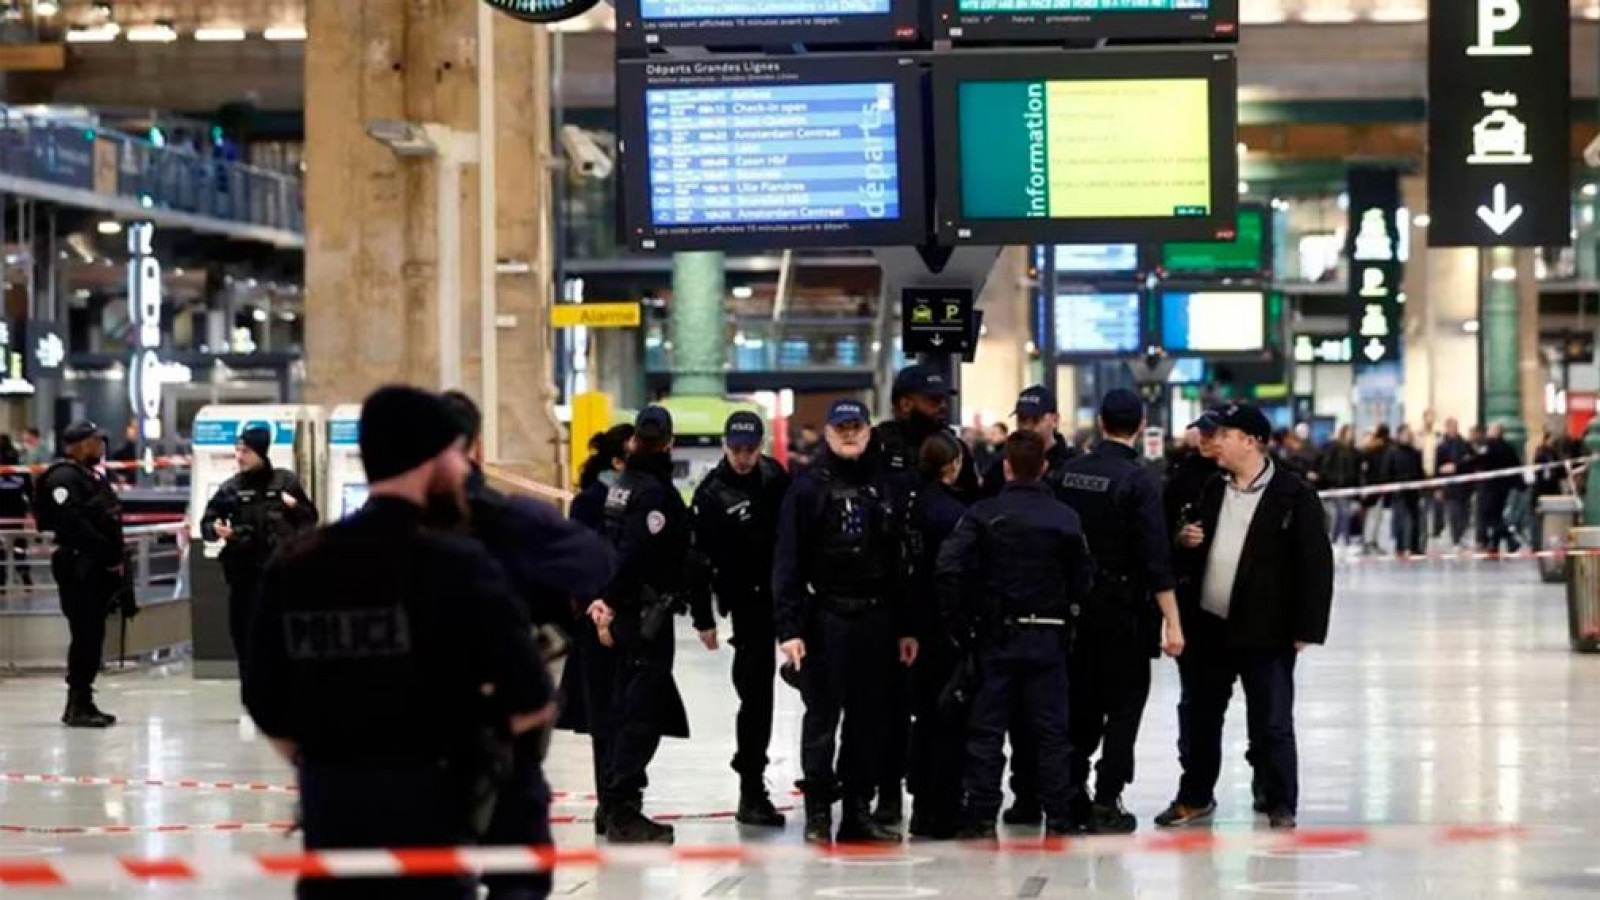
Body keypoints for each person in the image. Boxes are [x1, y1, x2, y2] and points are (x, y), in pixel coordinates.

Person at [244, 386, 555, 900]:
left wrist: (331, 765)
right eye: (455, 455)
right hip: (431, 829)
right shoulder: (458, 565)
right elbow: (532, 698)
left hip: (331, 824)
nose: (462, 469)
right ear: (430, 462)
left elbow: (265, 703)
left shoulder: (298, 565)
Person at [440, 391, 616, 900]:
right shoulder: (506, 522)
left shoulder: (373, 535)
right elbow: (593, 563)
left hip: (425, 751)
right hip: (499, 740)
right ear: (476, 444)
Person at [1158, 403, 1333, 832]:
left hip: (1266, 629)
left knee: (1271, 720)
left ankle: (1279, 800)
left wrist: (1306, 629)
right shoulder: (1214, 489)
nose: (1216, 442)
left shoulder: (1294, 496)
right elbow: (1192, 548)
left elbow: (1316, 566)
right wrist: (1183, 540)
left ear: (1251, 442)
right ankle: (1195, 796)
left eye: (1227, 435)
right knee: (1200, 716)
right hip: (1210, 625)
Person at [935, 430, 1096, 841]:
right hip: (1049, 635)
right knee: (1051, 732)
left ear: (1006, 466)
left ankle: (983, 814)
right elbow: (1084, 577)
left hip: (997, 635)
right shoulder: (1065, 517)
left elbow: (948, 566)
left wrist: (962, 621)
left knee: (987, 730)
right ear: (1043, 466)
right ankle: (1057, 815)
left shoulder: (984, 513)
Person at [775, 398, 914, 845]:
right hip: (825, 618)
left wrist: (906, 626)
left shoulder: (886, 484)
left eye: (856, 426)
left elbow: (901, 560)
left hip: (877, 617)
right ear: (830, 432)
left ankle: (857, 810)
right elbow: (788, 562)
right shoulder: (807, 488)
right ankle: (818, 812)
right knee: (821, 718)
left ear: (869, 430)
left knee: (868, 720)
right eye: (842, 427)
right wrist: (790, 629)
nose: (850, 433)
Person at [1055, 390, 1186, 834]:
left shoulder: (1067, 474)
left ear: (1099, 422)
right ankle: (1107, 799)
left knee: (1079, 702)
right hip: (1124, 612)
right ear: (1141, 422)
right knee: (1125, 707)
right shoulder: (1138, 481)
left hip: (1073, 608)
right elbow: (1154, 558)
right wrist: (1173, 619)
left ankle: (1069, 792)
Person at [588, 406, 718, 844]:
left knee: (625, 708)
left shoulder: (621, 486)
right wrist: (612, 597)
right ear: (668, 442)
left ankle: (612, 805)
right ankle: (624, 808)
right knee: (640, 713)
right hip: (644, 617)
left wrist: (606, 599)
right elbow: (637, 555)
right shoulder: (654, 493)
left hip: (627, 613)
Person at [689, 411, 793, 827]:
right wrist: (703, 619)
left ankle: (821, 775)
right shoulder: (712, 495)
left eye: (751, 450)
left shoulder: (773, 475)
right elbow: (697, 561)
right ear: (725, 447)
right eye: (737, 451)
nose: (745, 459)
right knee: (756, 697)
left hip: (783, 596)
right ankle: (751, 787)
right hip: (747, 604)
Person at [557, 422, 634, 835]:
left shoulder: (640, 495)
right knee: (605, 713)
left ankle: (620, 798)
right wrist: (596, 610)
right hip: (596, 620)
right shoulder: (590, 503)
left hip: (629, 618)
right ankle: (610, 800)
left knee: (628, 712)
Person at [199, 426, 320, 669]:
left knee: (282, 638)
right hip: (244, 576)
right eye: (237, 450)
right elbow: (207, 523)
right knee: (244, 637)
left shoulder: (285, 482)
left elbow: (310, 519)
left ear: (261, 452)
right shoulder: (230, 489)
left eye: (246, 451)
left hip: (280, 575)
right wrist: (216, 529)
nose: (239, 456)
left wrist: (294, 506)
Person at [34, 422, 129, 728]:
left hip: (95, 566)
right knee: (85, 633)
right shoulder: (63, 478)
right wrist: (102, 549)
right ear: (79, 445)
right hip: (78, 565)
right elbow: (72, 521)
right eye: (95, 442)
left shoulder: (89, 477)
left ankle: (84, 699)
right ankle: (77, 703)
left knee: (93, 634)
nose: (101, 447)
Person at [901, 431, 972, 840]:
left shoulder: (910, 506)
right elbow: (953, 574)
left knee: (924, 717)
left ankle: (922, 806)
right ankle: (944, 810)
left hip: (913, 625)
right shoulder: (953, 515)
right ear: (954, 465)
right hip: (945, 629)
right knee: (950, 719)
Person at [875, 365, 980, 501]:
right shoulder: (877, 444)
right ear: (905, 404)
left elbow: (973, 500)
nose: (943, 406)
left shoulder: (955, 448)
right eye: (934, 400)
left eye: (944, 399)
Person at [981, 385, 1078, 498]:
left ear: (1055, 420)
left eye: (1035, 420)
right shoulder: (1001, 463)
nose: (1027, 427)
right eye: (1022, 419)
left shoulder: (1072, 465)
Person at [1380, 425, 1426, 557]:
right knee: (1401, 520)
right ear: (1399, 435)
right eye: (1405, 434)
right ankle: (1400, 547)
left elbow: (1419, 471)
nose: (1408, 436)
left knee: (1415, 520)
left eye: (1409, 434)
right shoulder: (1392, 452)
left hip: (1413, 493)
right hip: (1398, 492)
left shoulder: (1415, 453)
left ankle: (1414, 547)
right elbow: (1386, 472)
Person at [1477, 423, 1522, 554]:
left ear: (1496, 432)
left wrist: (1459, 466)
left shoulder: (1489, 446)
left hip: (1491, 487)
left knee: (1490, 516)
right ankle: (1494, 544)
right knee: (1497, 515)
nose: (1488, 432)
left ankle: (1511, 538)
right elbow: (1516, 465)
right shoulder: (1509, 447)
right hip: (1505, 488)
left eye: (1490, 430)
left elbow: (1480, 460)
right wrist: (1519, 483)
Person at [1316, 425, 1361, 549]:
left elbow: (1356, 470)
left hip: (1348, 487)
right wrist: (1331, 479)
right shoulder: (1334, 449)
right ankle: (1338, 541)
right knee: (1342, 513)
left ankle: (1343, 541)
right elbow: (1326, 466)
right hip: (1336, 486)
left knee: (1345, 514)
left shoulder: (1354, 451)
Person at [1435, 418, 1475, 550]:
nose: (1453, 429)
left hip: (1465, 486)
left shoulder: (1465, 444)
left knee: (1465, 513)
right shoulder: (1441, 447)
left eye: (1455, 426)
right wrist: (1438, 487)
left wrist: (1456, 466)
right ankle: (1456, 539)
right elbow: (1438, 468)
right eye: (1450, 426)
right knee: (1454, 513)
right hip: (1450, 486)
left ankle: (1462, 536)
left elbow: (1471, 461)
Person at [0, 435, 33, 589]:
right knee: (19, 545)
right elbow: (30, 490)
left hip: (4, 510)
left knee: (1, 546)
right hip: (16, 510)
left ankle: (1, 580)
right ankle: (24, 574)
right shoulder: (20, 467)